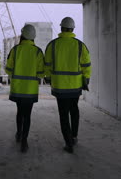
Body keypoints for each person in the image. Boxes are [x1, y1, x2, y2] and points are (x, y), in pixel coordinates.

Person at [44, 17, 91, 153]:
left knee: (63, 114)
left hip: (59, 86)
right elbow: (86, 65)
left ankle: (68, 142)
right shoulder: (80, 45)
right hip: (75, 86)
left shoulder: (53, 45)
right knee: (74, 110)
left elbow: (47, 64)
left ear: (61, 28)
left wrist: (47, 77)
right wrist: (86, 78)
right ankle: (74, 136)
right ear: (73, 29)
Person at [5, 24, 44, 153]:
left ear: (22, 35)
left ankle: (18, 134)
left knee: (19, 112)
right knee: (27, 115)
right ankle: (24, 141)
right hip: (30, 90)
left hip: (17, 88)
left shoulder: (15, 50)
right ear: (33, 37)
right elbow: (41, 73)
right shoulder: (37, 52)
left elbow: (8, 69)